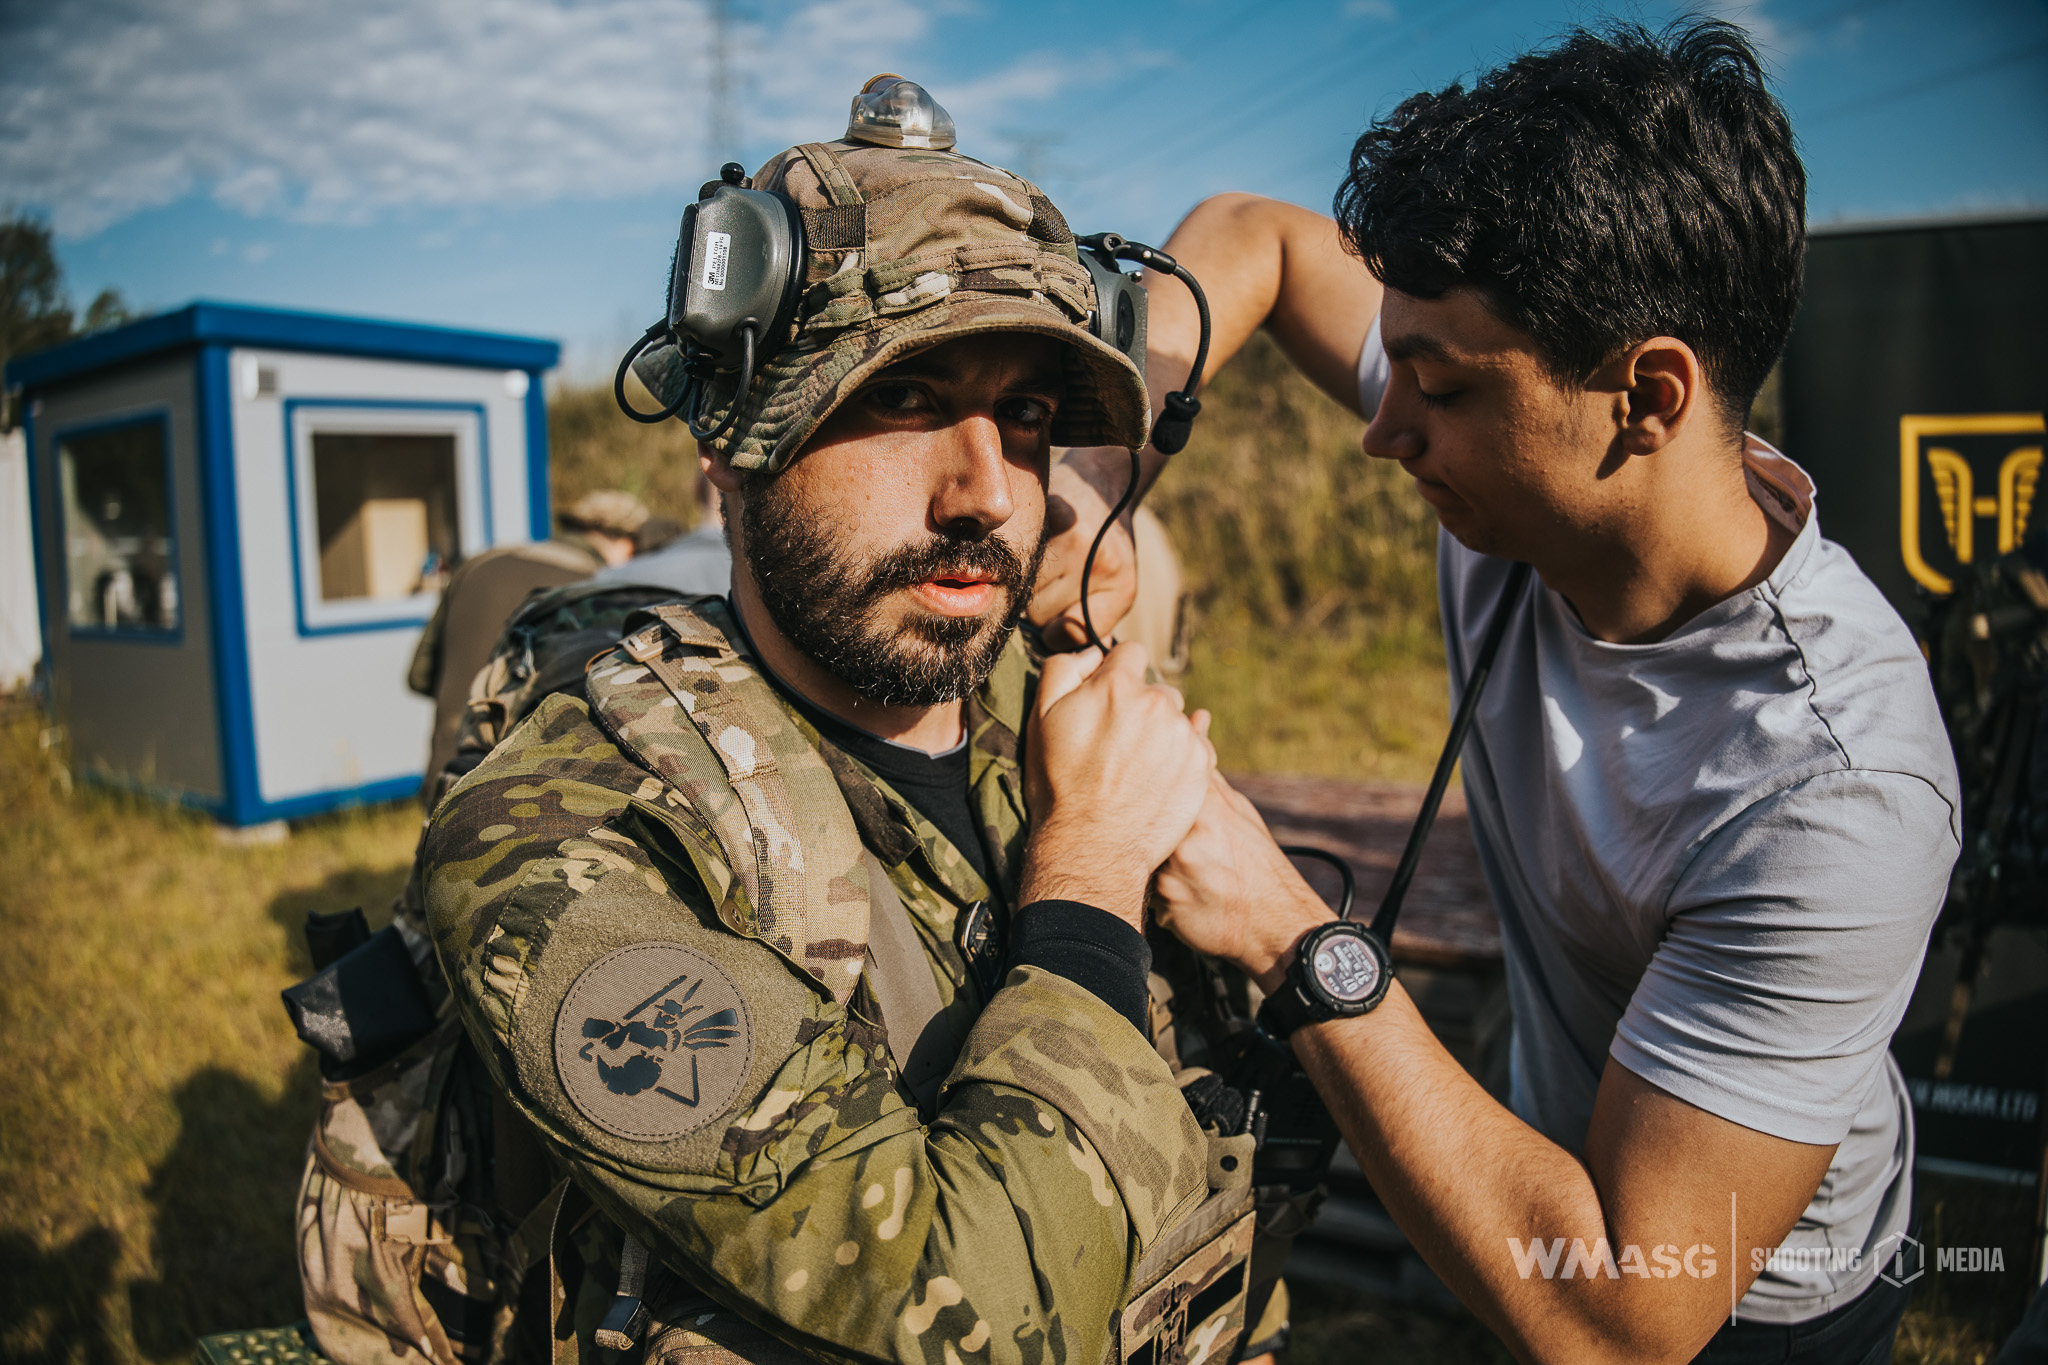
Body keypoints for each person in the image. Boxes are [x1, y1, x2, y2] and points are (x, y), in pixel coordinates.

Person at [1067, 21, 1960, 1365]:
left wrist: (1293, 937)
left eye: (1433, 389)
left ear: (1645, 397)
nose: (1381, 429)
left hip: (1748, 1306)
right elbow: (1251, 231)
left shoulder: (1836, 789)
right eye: (1394, 363)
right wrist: (1098, 468)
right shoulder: (1525, 418)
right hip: (1548, 1170)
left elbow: (1627, 1313)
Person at [407, 129, 1240, 1365]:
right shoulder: (561, 836)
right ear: (730, 448)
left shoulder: (1058, 725)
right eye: (901, 399)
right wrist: (1094, 869)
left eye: (1021, 416)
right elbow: (977, 1304)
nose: (988, 493)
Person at [407, 488, 647, 792]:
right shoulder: (597, 588)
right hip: (518, 796)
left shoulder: (479, 564)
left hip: (443, 775)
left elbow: (419, 676)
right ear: (626, 543)